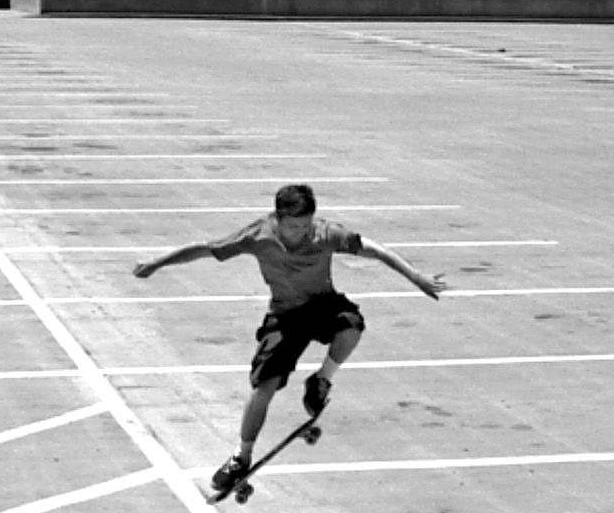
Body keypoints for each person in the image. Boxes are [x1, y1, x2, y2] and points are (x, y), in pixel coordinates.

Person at [133, 183, 447, 494]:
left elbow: (373, 249)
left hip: (323, 305)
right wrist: (157, 263)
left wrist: (415, 277)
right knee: (263, 387)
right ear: (278, 218)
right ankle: (241, 457)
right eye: (295, 226)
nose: (302, 233)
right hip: (285, 316)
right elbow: (205, 249)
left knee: (352, 325)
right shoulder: (258, 236)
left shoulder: (326, 234)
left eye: (307, 225)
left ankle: (321, 380)